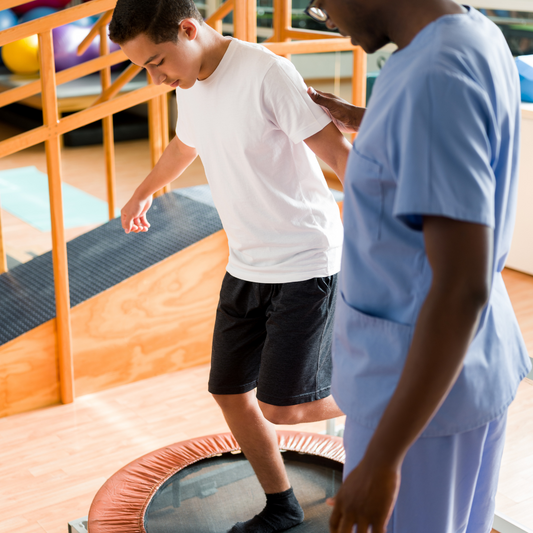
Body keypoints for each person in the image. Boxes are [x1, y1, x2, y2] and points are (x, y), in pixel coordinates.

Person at [109, 1, 352, 531]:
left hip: (305, 261)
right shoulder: (190, 81)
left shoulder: (266, 72)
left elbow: (339, 155)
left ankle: (398, 389)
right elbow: (184, 144)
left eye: (156, 62)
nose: (155, 78)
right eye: (144, 69)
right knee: (229, 393)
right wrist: (142, 192)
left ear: (189, 29)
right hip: (246, 263)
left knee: (284, 408)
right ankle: (282, 506)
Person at [304, 0, 532, 532]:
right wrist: (375, 122)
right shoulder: (472, 34)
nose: (325, 16)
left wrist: (382, 460)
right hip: (473, 366)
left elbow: (460, 286)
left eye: (318, 3)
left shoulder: (432, 79)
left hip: (416, 397)